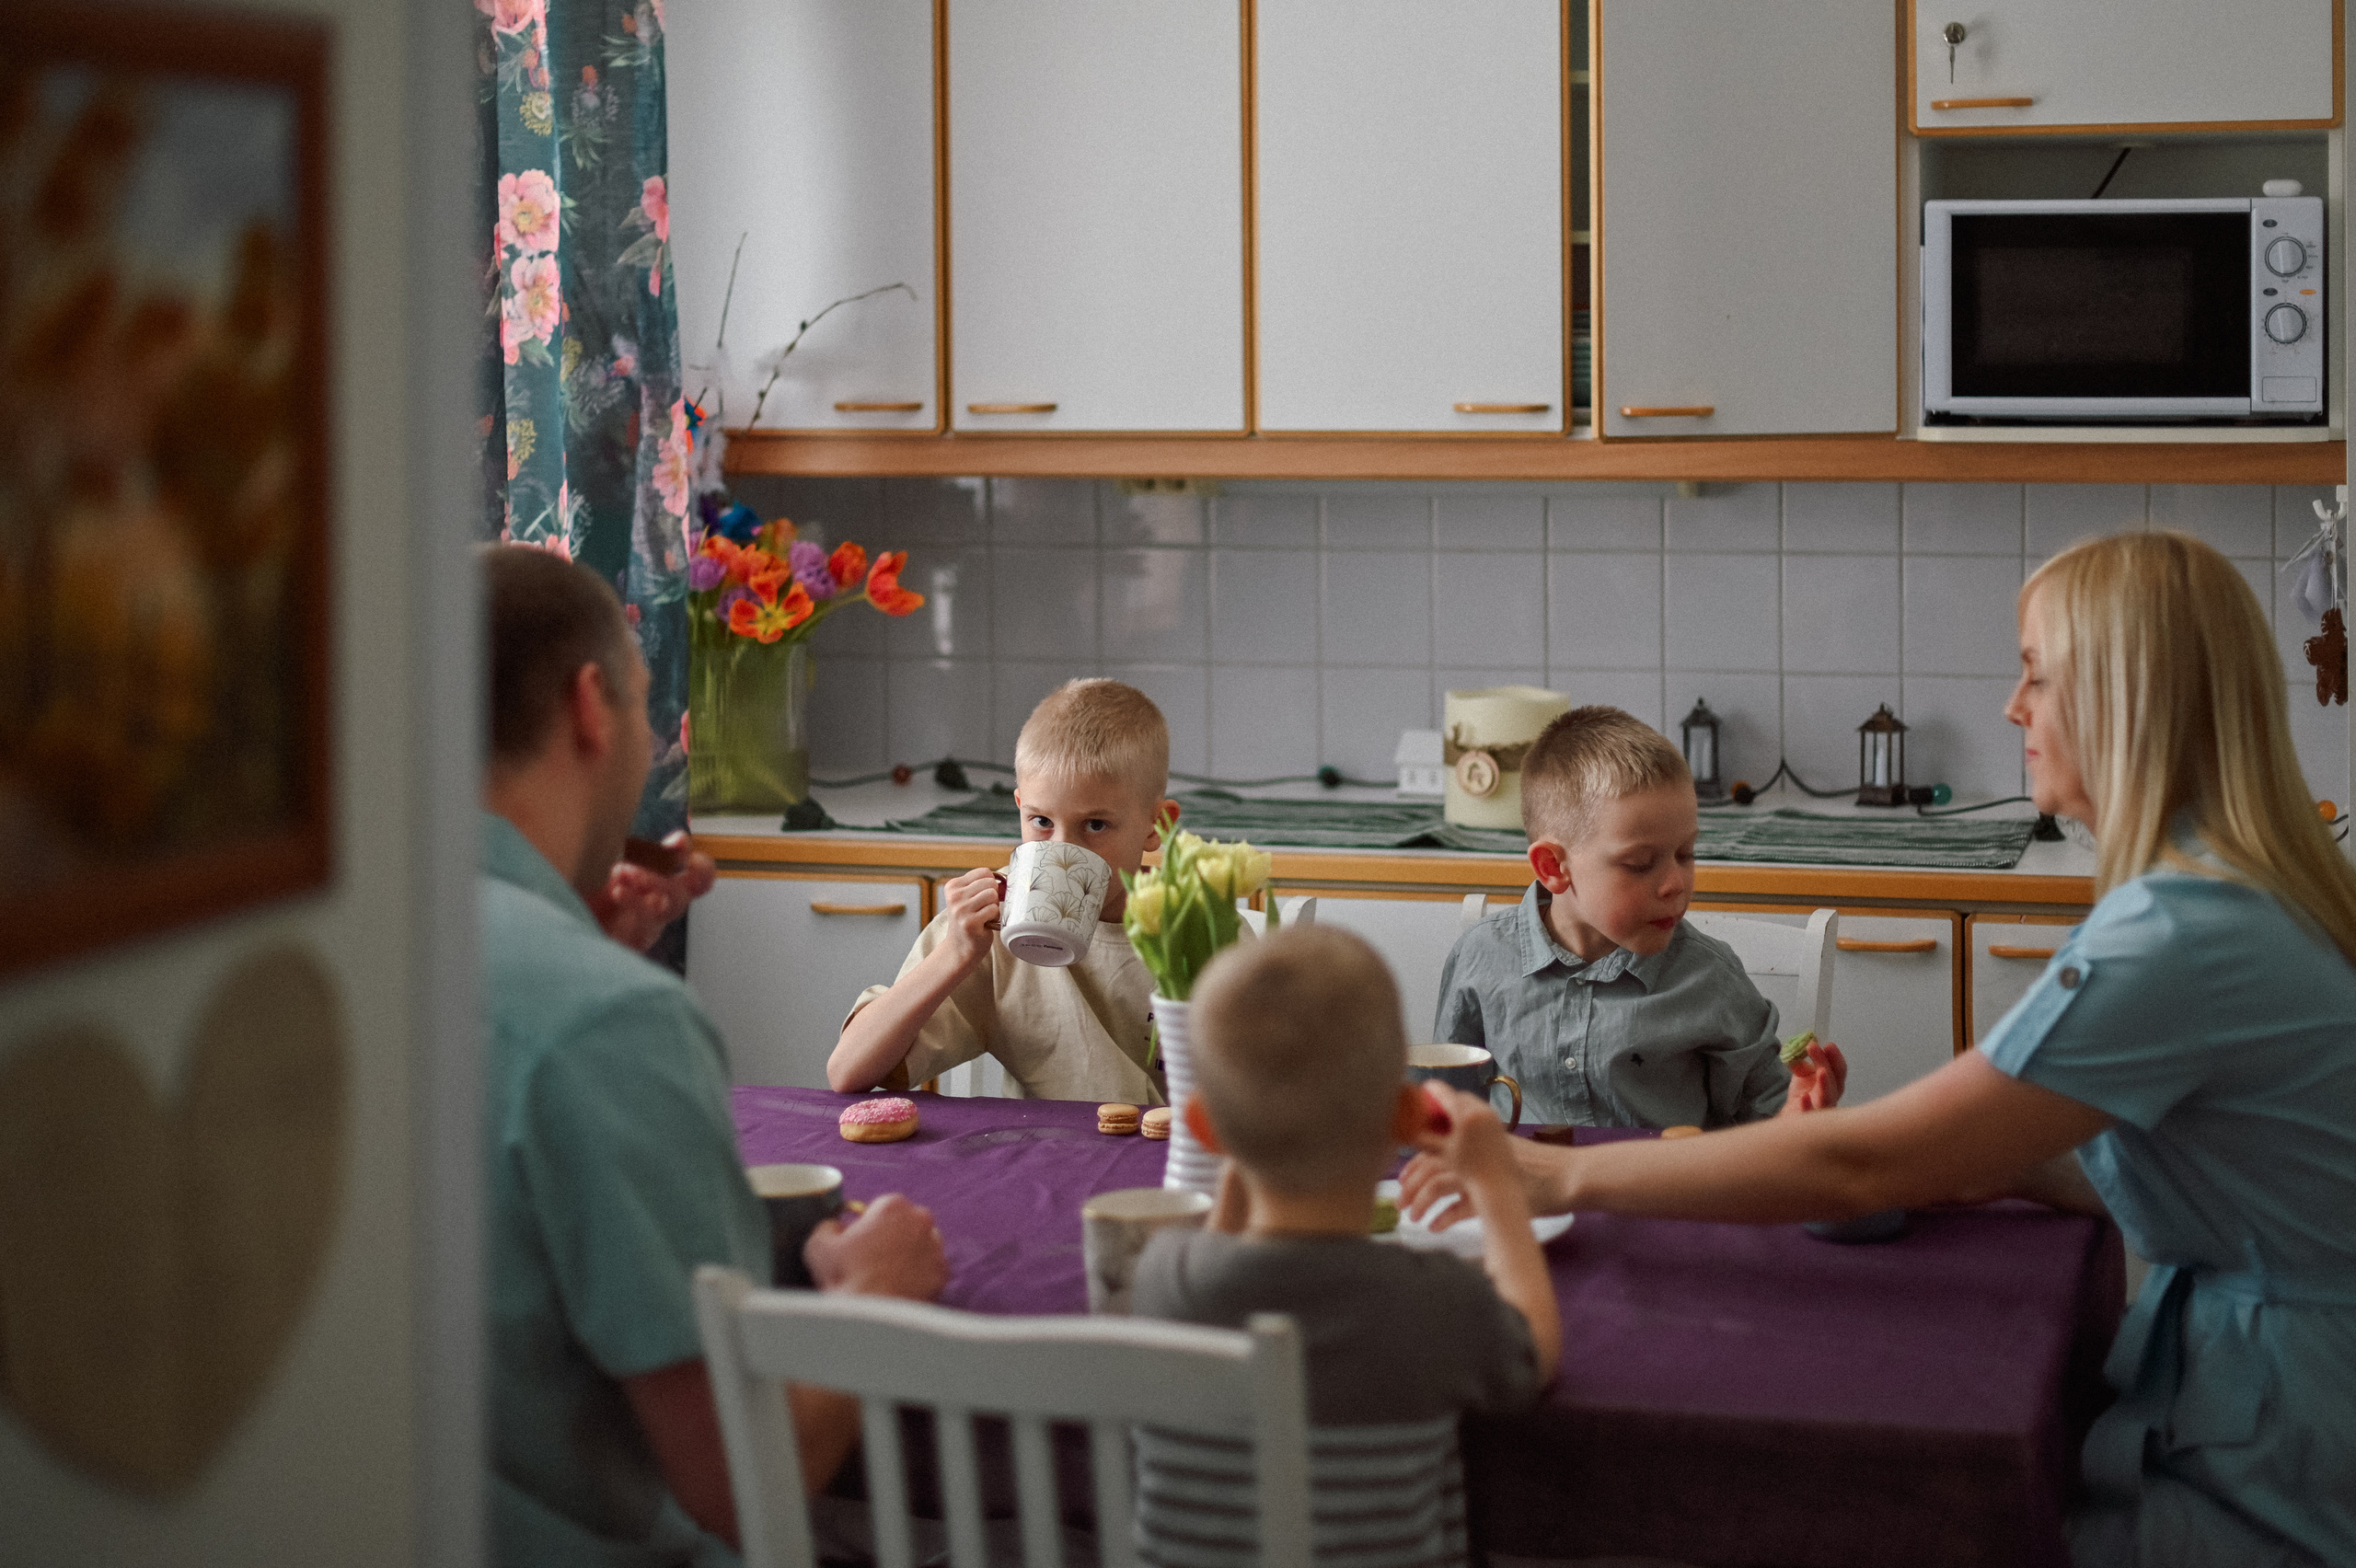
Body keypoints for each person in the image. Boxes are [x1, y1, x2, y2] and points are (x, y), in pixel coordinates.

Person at [1403, 532, 2356, 1568]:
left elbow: (1862, 1164)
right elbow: (2217, 1170)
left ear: (2124, 698)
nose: (2011, 708)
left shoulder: (2177, 933)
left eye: (2036, 675)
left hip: (2281, 1432)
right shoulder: (2237, 890)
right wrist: (1972, 1162)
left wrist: (1548, 1172)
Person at [479, 546, 950, 1567]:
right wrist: (878, 1298)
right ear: (590, 708)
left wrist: (579, 958)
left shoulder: (317, 941)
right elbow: (747, 1479)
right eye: (651, 705)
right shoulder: (606, 1022)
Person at [1131, 926, 1557, 1568]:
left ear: (1202, 1127)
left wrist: (1241, 1154)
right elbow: (1534, 1353)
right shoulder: (1434, 1302)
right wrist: (1495, 1184)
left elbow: (1215, 1250)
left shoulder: (1162, 1276)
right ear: (1407, 1118)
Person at [1431, 705, 1845, 1128]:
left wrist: (1799, 1113)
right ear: (1554, 869)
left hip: (1664, 1191)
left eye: (1686, 854)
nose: (1675, 884)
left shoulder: (1709, 978)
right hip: (1521, 1190)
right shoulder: (1480, 957)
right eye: (1640, 863)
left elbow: (1768, 1117)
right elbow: (1450, 1104)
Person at [829, 678, 1180, 1103]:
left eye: (1096, 825)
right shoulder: (993, 922)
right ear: (1020, 808)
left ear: (1156, 825)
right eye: (1042, 822)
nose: (1062, 851)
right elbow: (848, 1071)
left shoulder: (1201, 929)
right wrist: (954, 955)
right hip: (1045, 1161)